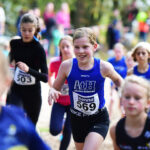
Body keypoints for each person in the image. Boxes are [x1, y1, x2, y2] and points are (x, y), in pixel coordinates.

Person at [48, 27, 123, 150]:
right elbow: (55, 87)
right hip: (77, 118)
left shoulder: (104, 67)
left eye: (85, 47)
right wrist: (52, 91)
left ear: (94, 46)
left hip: (98, 118)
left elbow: (120, 81)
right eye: (76, 47)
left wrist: (127, 93)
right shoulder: (67, 66)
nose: (80, 51)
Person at [0, 50, 51, 150]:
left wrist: (29, 70)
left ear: (7, 82)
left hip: (33, 96)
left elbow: (45, 77)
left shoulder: (18, 120)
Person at [6, 13, 48, 125]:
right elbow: (7, 63)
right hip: (16, 91)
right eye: (24, 30)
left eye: (30, 30)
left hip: (33, 93)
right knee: (13, 121)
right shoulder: (14, 44)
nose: (27, 33)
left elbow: (45, 77)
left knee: (30, 129)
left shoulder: (39, 49)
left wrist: (28, 70)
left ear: (35, 29)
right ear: (20, 29)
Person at [110, 75, 150, 150]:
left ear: (148, 103)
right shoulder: (115, 130)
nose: (131, 102)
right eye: (127, 97)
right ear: (121, 100)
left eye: (137, 98)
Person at [48, 35, 74, 150]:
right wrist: (53, 88)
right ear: (59, 48)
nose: (65, 49)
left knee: (68, 131)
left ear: (73, 47)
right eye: (62, 47)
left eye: (68, 46)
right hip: (59, 100)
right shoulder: (54, 63)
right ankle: (62, 123)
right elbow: (48, 76)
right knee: (54, 130)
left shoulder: (78, 62)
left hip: (73, 103)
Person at [107, 43, 127, 118]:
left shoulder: (126, 61)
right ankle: (109, 117)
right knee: (111, 99)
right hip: (112, 84)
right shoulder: (110, 61)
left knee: (121, 102)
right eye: (116, 52)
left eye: (119, 52)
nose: (118, 54)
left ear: (123, 52)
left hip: (122, 84)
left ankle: (123, 116)